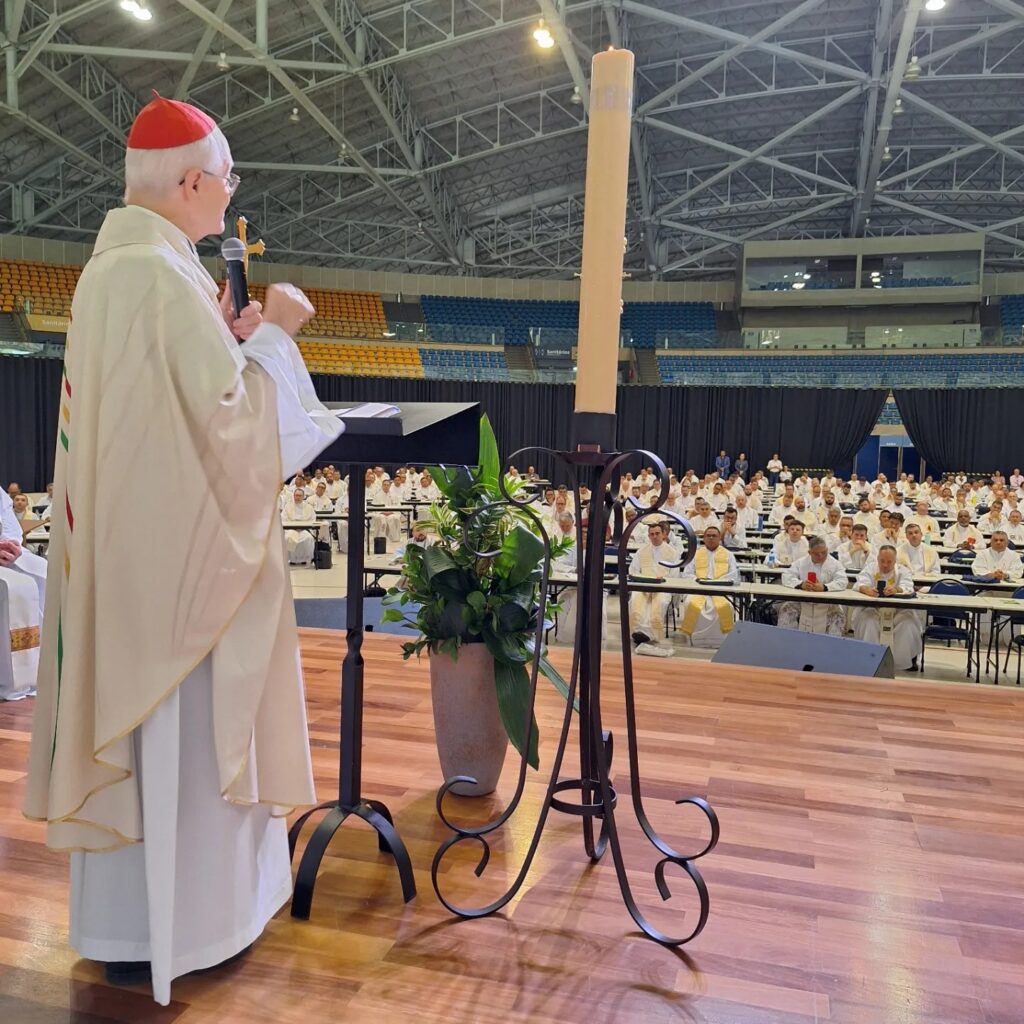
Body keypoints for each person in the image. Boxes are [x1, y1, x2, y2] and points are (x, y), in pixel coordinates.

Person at [24, 95, 344, 1006]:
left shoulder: (115, 269)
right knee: (187, 749)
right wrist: (279, 330)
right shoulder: (160, 279)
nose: (230, 196)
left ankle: (129, 927)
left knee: (152, 754)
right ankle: (195, 925)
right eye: (228, 180)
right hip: (178, 588)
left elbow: (182, 420)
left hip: (132, 562)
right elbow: (234, 438)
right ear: (195, 181)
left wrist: (236, 344)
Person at [852, 546, 920, 671]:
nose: (885, 565)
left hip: (899, 610)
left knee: (907, 623)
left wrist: (896, 589)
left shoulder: (902, 570)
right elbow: (860, 583)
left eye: (889, 562)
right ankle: (870, 659)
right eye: (882, 561)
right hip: (873, 608)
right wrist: (867, 590)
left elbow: (908, 586)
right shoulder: (870, 568)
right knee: (869, 621)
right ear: (877, 559)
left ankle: (902, 662)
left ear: (895, 561)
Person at [678, 526, 738, 649]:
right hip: (699, 589)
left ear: (719, 538)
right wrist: (699, 581)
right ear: (704, 538)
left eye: (714, 536)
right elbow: (687, 574)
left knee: (725, 606)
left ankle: (721, 640)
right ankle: (696, 639)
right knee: (691, 604)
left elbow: (733, 574)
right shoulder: (695, 554)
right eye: (708, 536)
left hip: (720, 590)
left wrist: (717, 582)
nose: (711, 538)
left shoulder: (728, 555)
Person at [777, 535, 849, 637]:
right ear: (809, 553)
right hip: (803, 602)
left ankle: (829, 650)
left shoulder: (835, 564)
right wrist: (801, 585)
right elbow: (786, 576)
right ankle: (790, 645)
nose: (820, 556)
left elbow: (842, 581)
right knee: (786, 610)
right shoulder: (801, 562)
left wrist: (825, 587)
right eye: (816, 554)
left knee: (838, 616)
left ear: (827, 550)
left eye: (823, 553)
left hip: (827, 604)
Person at [628, 522, 679, 655]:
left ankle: (652, 634)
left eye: (657, 533)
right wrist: (641, 579)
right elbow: (633, 570)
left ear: (664, 534)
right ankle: (637, 632)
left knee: (660, 602)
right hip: (643, 585)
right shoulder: (642, 551)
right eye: (652, 534)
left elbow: (674, 575)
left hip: (662, 586)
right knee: (635, 600)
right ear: (649, 536)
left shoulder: (672, 552)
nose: (655, 536)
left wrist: (662, 582)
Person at [369, 477, 403, 544]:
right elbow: (374, 508)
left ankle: (394, 538)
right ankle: (381, 537)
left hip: (392, 513)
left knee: (393, 518)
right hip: (381, 513)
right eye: (384, 485)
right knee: (381, 518)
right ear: (382, 486)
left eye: (387, 485)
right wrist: (383, 512)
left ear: (390, 486)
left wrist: (391, 512)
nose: (386, 486)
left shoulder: (394, 495)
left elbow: (398, 506)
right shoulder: (377, 495)